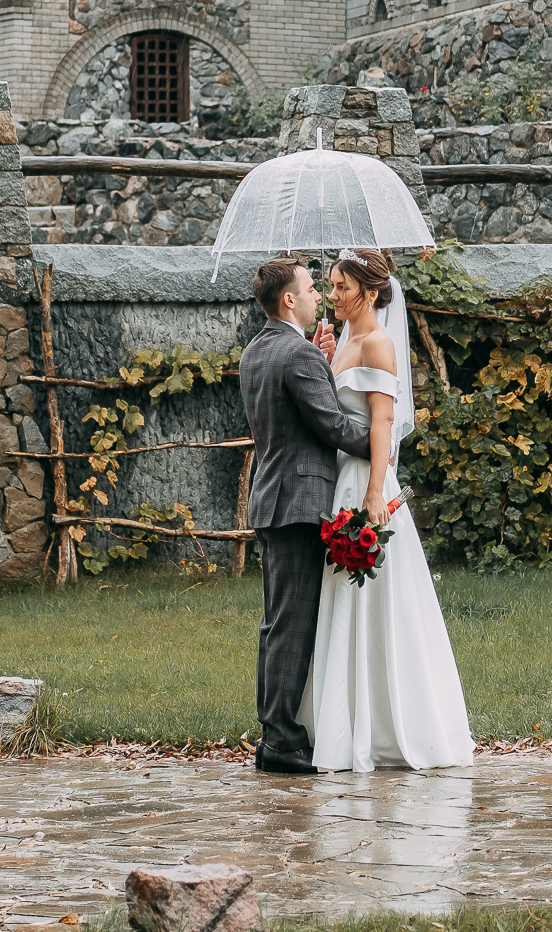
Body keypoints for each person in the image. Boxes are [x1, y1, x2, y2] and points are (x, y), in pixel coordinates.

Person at [299, 246, 473, 771]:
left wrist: (376, 492)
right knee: (338, 602)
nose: (332, 296)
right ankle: (337, 722)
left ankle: (383, 726)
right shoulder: (343, 340)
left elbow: (380, 424)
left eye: (342, 288)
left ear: (370, 293)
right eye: (328, 286)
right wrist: (321, 352)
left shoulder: (378, 344)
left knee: (376, 603)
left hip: (363, 484)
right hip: (336, 483)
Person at [239, 254, 372, 775]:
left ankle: (276, 731)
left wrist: (317, 359)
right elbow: (332, 426)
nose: (320, 294)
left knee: (277, 625)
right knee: (292, 625)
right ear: (289, 298)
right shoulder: (297, 355)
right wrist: (383, 442)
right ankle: (281, 740)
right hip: (299, 503)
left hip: (273, 497)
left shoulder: (258, 350)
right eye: (312, 288)